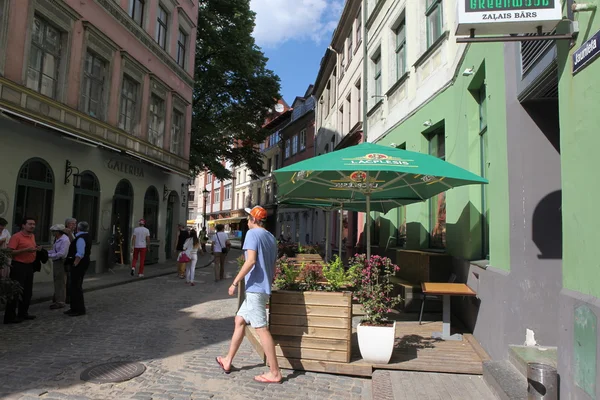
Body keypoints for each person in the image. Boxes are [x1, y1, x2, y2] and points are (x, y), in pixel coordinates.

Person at [216, 206, 282, 384]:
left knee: (261, 329)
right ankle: (228, 360)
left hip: (255, 289)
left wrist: (235, 282)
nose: (246, 221)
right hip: (262, 287)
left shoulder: (253, 235)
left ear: (253, 219)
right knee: (239, 320)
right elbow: (273, 266)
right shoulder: (270, 237)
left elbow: (251, 260)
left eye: (248, 218)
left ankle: (275, 372)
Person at [4, 217, 40, 324]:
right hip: (19, 265)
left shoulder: (32, 236)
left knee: (27, 292)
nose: (32, 226)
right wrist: (26, 250)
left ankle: (23, 313)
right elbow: (10, 252)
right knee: (15, 291)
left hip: (29, 266)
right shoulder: (16, 237)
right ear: (23, 225)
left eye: (33, 224)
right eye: (30, 224)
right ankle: (10, 316)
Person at [64, 221, 92, 317]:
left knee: (76, 286)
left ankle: (79, 309)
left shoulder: (81, 238)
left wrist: (75, 264)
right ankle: (74, 307)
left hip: (79, 264)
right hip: (84, 263)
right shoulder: (84, 236)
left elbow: (80, 253)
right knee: (74, 286)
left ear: (78, 228)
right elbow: (74, 241)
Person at [47, 224, 70, 309]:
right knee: (57, 280)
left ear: (58, 232)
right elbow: (54, 250)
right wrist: (46, 252)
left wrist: (50, 255)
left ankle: (60, 301)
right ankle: (57, 298)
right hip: (56, 261)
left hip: (61, 261)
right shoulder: (57, 239)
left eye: (53, 231)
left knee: (60, 281)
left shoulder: (64, 240)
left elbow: (62, 254)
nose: (52, 233)